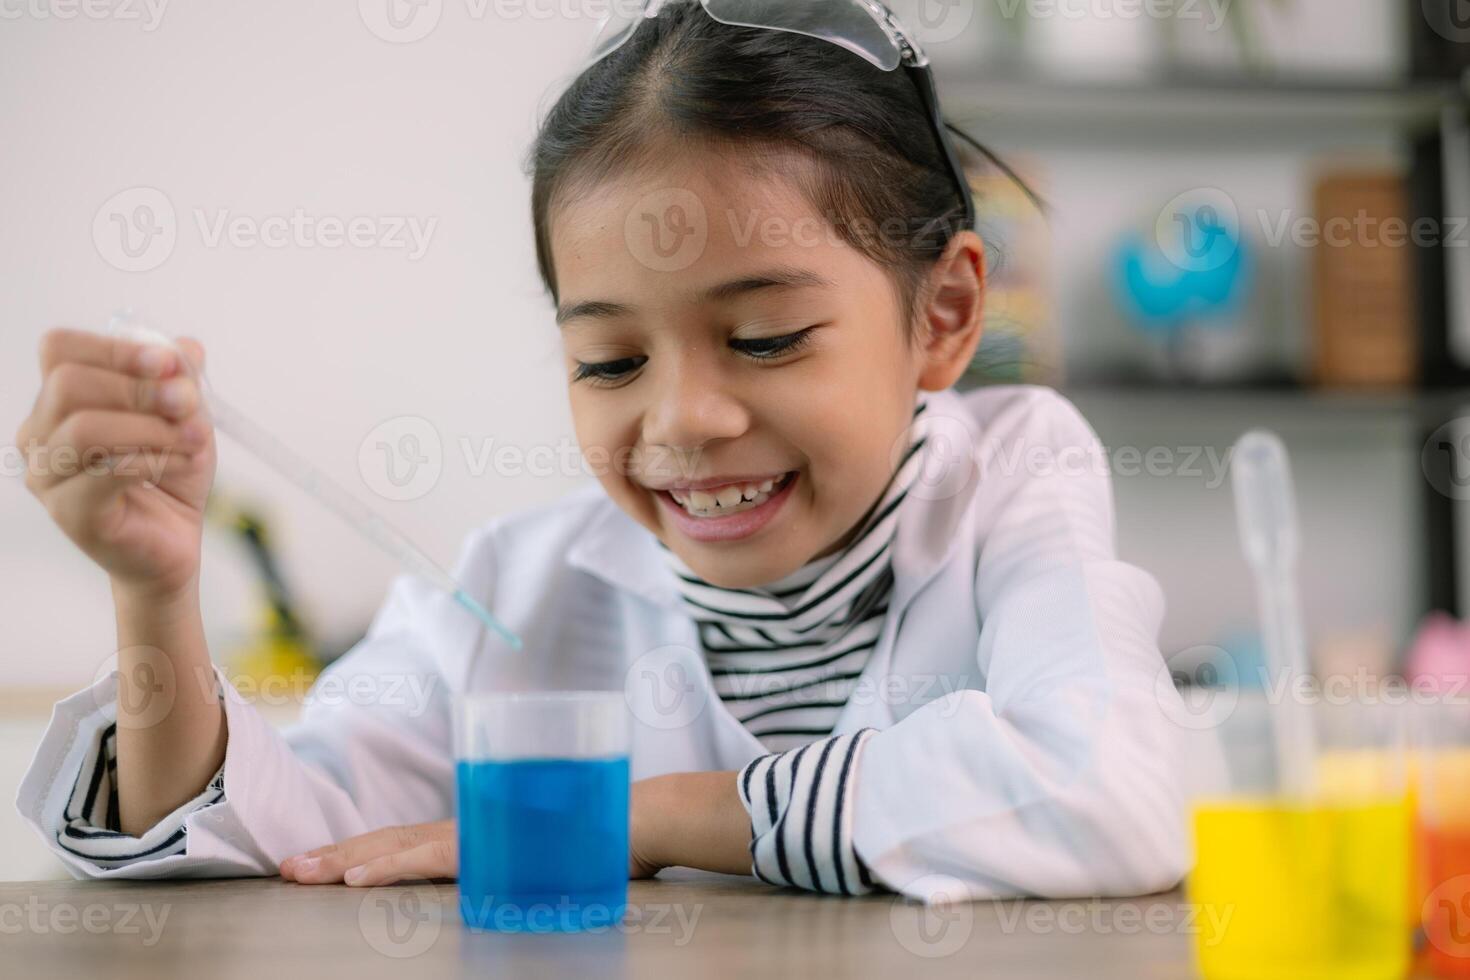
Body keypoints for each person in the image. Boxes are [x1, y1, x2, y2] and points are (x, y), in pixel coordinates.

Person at [14, 0, 1188, 901]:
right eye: (611, 362)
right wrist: (153, 592)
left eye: (765, 336)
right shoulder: (508, 593)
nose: (680, 420)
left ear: (941, 315)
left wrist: (638, 816)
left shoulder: (1015, 475)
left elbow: (1114, 786)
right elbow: (281, 840)